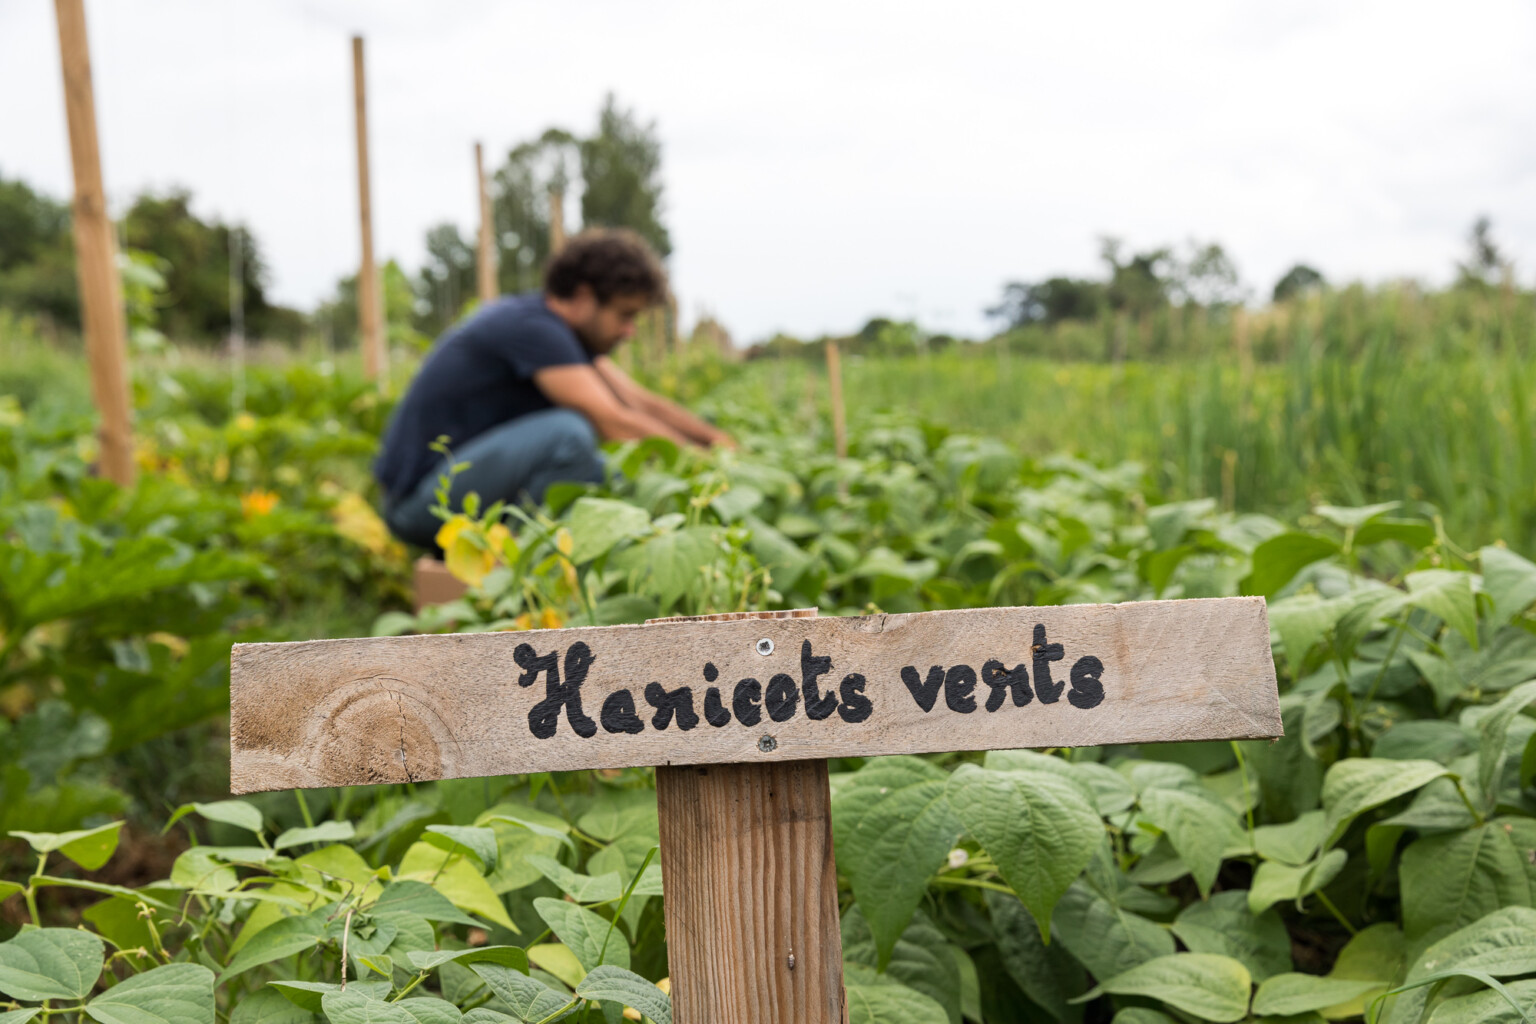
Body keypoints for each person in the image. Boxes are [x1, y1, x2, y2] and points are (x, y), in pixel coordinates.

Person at [375, 228, 733, 549]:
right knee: (569, 435)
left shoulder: (566, 338)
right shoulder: (535, 330)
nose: (630, 331)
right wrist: (705, 469)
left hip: (461, 487)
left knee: (601, 469)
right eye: (625, 315)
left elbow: (640, 403)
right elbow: (614, 422)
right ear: (583, 296)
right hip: (420, 502)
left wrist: (718, 444)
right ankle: (519, 567)